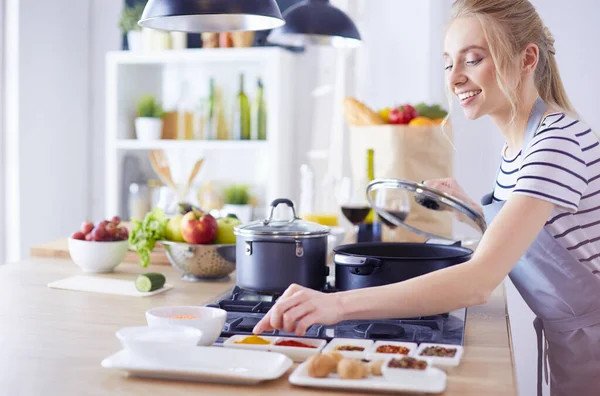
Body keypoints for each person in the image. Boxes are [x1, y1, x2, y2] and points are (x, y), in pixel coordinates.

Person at [253, 1, 600, 394]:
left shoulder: (555, 142)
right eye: (450, 63)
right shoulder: (518, 149)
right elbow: (548, 237)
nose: (455, 79)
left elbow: (478, 281)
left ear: (527, 58)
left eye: (473, 59)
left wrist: (337, 304)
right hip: (576, 340)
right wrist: (473, 212)